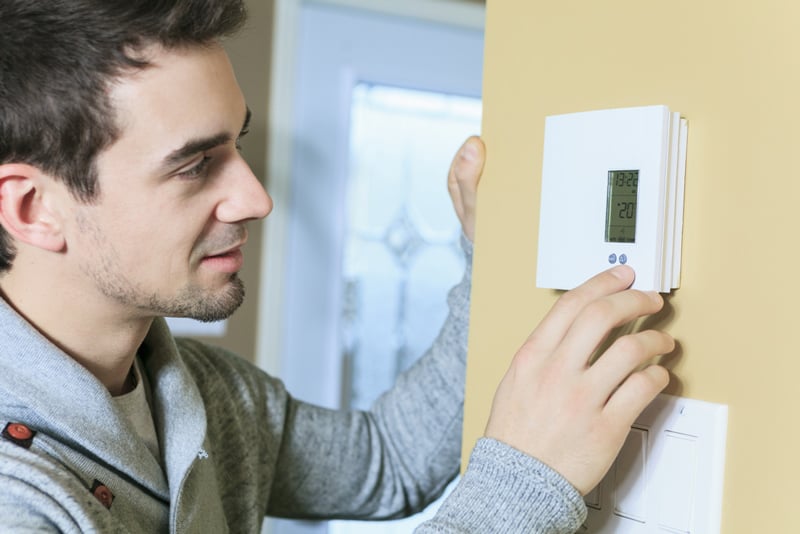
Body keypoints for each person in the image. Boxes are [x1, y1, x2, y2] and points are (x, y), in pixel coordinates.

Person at [0, 1, 674, 532]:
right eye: (195, 165)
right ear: (33, 208)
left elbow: (387, 462)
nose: (256, 198)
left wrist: (483, 257)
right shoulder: (18, 501)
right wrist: (523, 484)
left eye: (239, 144)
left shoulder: (206, 394)